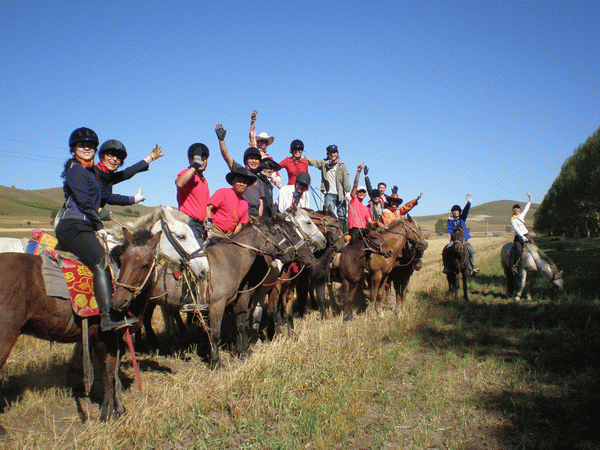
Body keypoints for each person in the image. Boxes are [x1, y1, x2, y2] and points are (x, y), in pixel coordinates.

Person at [54, 127, 137, 331]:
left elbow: (106, 196)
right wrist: (99, 226)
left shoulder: (88, 172)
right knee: (100, 259)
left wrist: (133, 199)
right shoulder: (75, 170)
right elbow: (84, 203)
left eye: (90, 145)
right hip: (74, 225)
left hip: (82, 224)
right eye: (82, 145)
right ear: (74, 148)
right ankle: (108, 318)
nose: (87, 148)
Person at [94, 140, 162, 218]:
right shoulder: (92, 173)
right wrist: (133, 199)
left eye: (118, 158)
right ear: (102, 156)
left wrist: (150, 158)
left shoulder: (108, 176)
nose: (114, 159)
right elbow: (106, 196)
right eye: (110, 155)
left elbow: (127, 173)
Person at [215, 123, 265, 216]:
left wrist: (259, 218)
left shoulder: (259, 181)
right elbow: (226, 156)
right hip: (240, 210)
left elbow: (261, 202)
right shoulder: (239, 170)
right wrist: (221, 140)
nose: (254, 161)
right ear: (246, 160)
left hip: (255, 213)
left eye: (256, 159)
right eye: (251, 158)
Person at [304, 144, 351, 231]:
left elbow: (346, 179)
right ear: (328, 154)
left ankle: (343, 234)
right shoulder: (323, 163)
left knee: (342, 216)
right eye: (330, 152)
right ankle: (330, 234)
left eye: (334, 152)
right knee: (328, 215)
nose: (332, 154)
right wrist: (302, 156)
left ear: (337, 153)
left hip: (340, 194)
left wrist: (347, 192)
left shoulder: (342, 165)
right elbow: (312, 162)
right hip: (329, 193)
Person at [206, 167, 255, 243]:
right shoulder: (223, 192)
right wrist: (208, 226)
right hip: (214, 232)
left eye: (245, 182)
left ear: (247, 185)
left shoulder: (245, 203)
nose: (242, 184)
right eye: (239, 181)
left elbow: (239, 225)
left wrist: (232, 239)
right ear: (233, 182)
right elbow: (208, 207)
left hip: (228, 236)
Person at [176, 143, 211, 242]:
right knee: (195, 255)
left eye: (204, 159)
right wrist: (194, 166)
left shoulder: (204, 180)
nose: (201, 162)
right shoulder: (186, 173)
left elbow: (207, 204)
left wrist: (209, 220)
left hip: (200, 225)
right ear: (190, 160)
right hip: (189, 222)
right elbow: (179, 183)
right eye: (197, 159)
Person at [443, 194, 479, 275]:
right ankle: (447, 267)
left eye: (457, 211)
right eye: (454, 211)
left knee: (471, 250)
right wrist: (455, 234)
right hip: (454, 240)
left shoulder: (462, 218)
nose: (455, 212)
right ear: (452, 212)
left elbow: (466, 210)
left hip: (463, 239)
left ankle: (472, 268)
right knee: (446, 249)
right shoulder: (450, 220)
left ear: (459, 212)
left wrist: (469, 202)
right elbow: (449, 229)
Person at [249, 110, 281, 188]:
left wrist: (277, 180)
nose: (264, 143)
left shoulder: (268, 156)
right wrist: (252, 123)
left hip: (266, 181)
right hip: (256, 179)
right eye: (261, 141)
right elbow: (252, 139)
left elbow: (273, 171)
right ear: (258, 142)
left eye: (265, 141)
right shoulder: (255, 152)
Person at [347, 163, 375, 243]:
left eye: (363, 192)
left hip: (363, 230)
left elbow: (369, 221)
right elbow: (355, 185)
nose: (361, 193)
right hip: (354, 229)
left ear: (366, 194)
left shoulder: (366, 208)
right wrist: (358, 172)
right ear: (356, 193)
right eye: (360, 191)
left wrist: (377, 223)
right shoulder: (353, 200)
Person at [510, 193, 533, 273]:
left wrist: (529, 200)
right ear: (513, 210)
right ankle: (514, 265)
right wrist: (522, 237)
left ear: (520, 209)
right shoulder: (512, 219)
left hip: (526, 235)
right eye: (515, 209)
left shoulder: (521, 216)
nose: (516, 209)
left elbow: (526, 209)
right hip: (519, 237)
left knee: (534, 248)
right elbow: (517, 230)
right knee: (519, 251)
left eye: (518, 208)